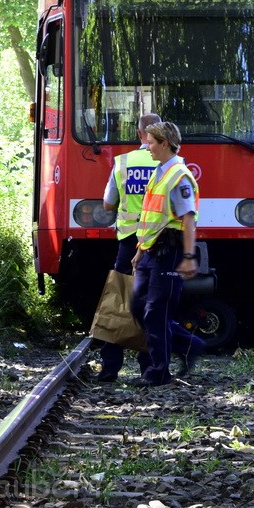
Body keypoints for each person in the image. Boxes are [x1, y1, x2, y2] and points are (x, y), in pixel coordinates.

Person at [129, 121, 206, 386]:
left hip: (170, 251)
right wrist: (140, 251)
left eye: (150, 142)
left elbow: (188, 219)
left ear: (164, 144)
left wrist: (187, 256)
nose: (146, 146)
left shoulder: (179, 176)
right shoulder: (159, 173)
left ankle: (159, 371)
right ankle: (189, 345)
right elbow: (151, 218)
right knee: (138, 307)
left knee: (156, 312)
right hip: (151, 251)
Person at [97, 113, 162, 382]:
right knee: (153, 304)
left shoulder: (123, 163)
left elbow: (108, 204)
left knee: (118, 301)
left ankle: (110, 367)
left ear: (138, 134)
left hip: (128, 242)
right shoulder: (169, 165)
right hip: (159, 244)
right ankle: (149, 367)